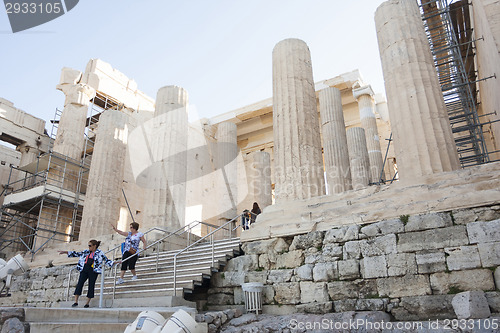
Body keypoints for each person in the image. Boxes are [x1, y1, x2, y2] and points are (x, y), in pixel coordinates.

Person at [58, 239, 115, 308]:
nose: (89, 247)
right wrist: (66, 252)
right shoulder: (86, 252)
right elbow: (77, 254)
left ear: (95, 246)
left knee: (91, 285)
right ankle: (76, 301)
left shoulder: (100, 253)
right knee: (80, 283)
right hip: (84, 269)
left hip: (93, 270)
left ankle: (87, 303)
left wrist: (114, 262)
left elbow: (106, 260)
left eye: (90, 246)